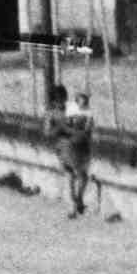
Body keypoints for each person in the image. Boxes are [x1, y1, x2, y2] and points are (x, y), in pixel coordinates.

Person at [47, 86, 95, 217]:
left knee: (71, 176)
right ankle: (77, 201)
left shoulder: (55, 112)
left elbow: (48, 131)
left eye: (62, 98)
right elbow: (88, 126)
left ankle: (75, 204)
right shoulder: (70, 109)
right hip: (71, 147)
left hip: (67, 147)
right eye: (59, 99)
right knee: (79, 175)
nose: (61, 101)